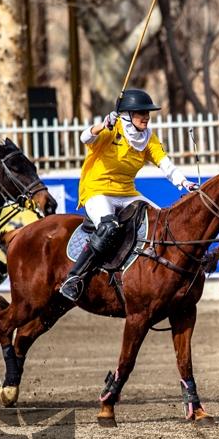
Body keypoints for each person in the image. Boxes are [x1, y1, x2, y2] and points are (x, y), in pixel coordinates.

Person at [59, 88, 198, 302]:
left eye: (147, 113)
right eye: (140, 112)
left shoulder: (148, 137)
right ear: (128, 115)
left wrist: (184, 182)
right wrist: (103, 125)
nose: (146, 117)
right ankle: (74, 278)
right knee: (108, 227)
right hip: (98, 190)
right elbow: (85, 137)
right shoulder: (112, 129)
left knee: (161, 220)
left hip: (126, 193)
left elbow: (164, 163)